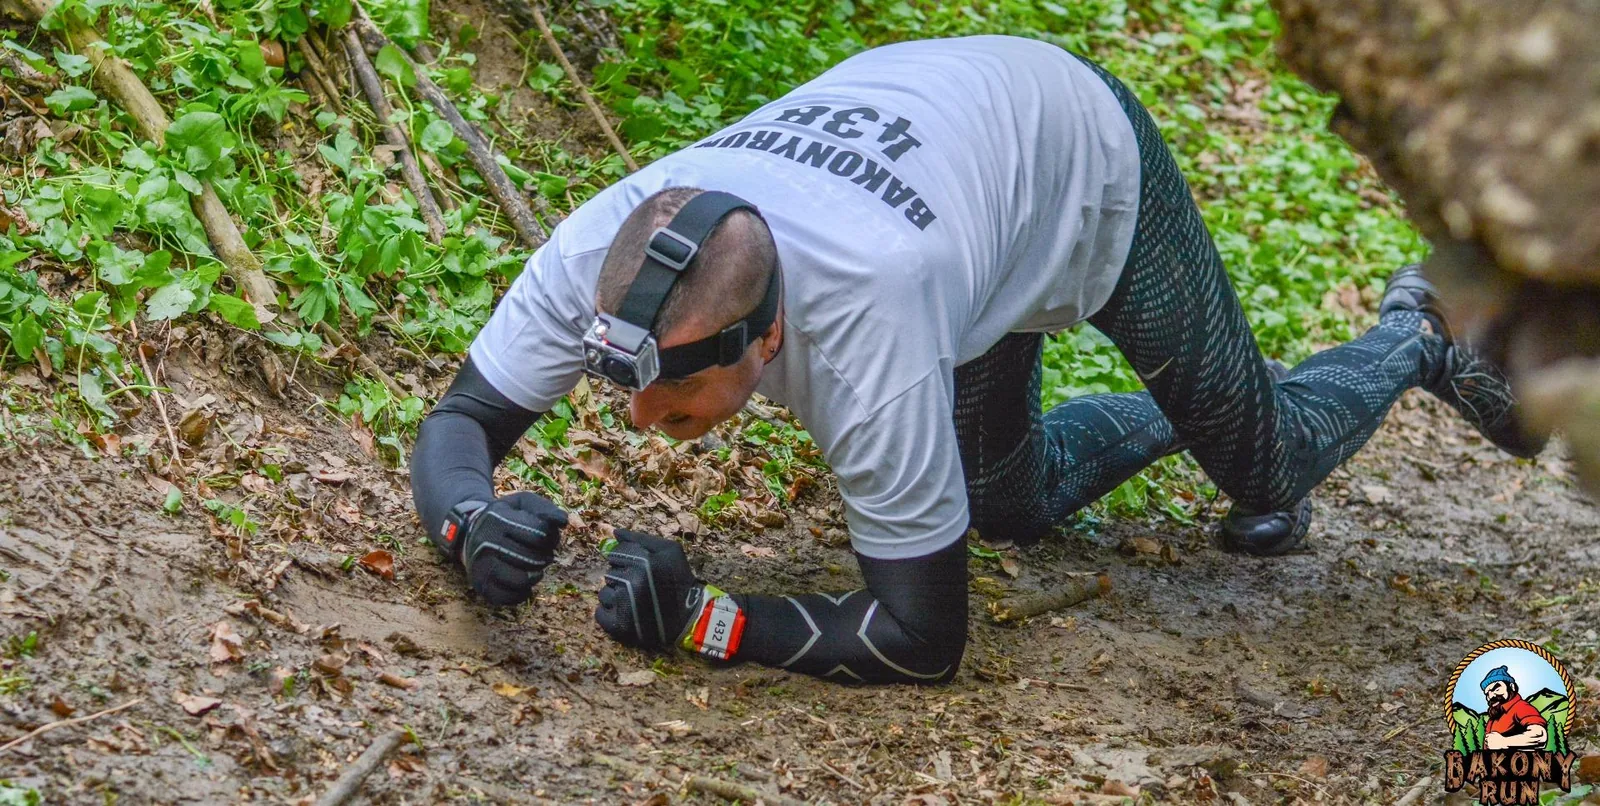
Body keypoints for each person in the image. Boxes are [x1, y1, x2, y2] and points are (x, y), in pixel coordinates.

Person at [409, 36, 1543, 684]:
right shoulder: (615, 248)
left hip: (1078, 158)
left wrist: (706, 617)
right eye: (629, 388)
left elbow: (921, 639)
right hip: (949, 176)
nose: (640, 419)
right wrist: (470, 517)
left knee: (1266, 464)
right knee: (1003, 502)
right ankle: (1183, 414)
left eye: (674, 401)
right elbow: (459, 420)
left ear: (770, 339)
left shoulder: (869, 315)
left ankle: (1420, 327)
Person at [1479, 667, 1549, 751]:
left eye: (1496, 689)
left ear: (1512, 687)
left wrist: (1503, 742)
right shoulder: (1493, 718)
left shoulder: (1521, 707)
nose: (1490, 697)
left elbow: (1539, 735)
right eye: (1487, 694)